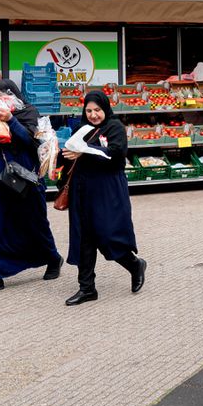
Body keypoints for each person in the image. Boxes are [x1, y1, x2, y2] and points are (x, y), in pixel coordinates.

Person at [0, 80, 63, 297]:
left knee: (34, 223)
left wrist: (10, 120)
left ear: (13, 95)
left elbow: (31, 143)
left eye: (0, 96)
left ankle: (52, 258)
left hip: (24, 178)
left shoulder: (30, 113)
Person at [60, 90, 146, 306]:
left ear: (105, 108)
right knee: (84, 239)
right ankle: (87, 288)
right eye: (88, 110)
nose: (93, 115)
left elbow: (116, 156)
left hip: (107, 190)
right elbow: (73, 156)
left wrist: (85, 151)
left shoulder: (115, 127)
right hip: (82, 191)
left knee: (109, 235)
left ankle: (134, 265)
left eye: (97, 110)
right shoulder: (82, 129)